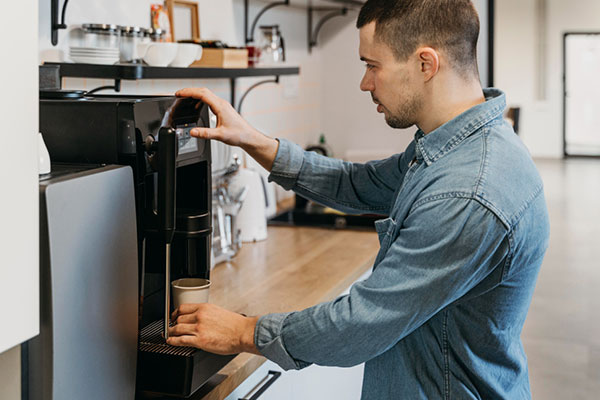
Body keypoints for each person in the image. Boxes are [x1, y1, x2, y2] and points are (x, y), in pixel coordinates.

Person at [166, 0, 550, 398]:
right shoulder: (457, 148)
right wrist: (255, 141)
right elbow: (359, 184)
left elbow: (360, 324)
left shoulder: (468, 192)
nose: (365, 83)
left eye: (372, 65)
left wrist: (245, 331)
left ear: (425, 64)